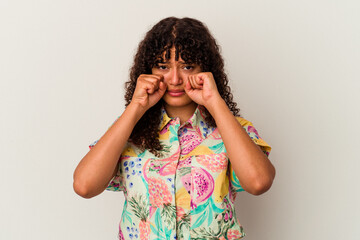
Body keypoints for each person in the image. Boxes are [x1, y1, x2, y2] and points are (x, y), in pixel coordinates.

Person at [73, 17, 275, 240]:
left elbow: (259, 182)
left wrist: (215, 101)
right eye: (163, 66)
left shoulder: (232, 128)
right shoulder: (128, 130)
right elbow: (84, 186)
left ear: (205, 70)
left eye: (188, 66)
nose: (175, 79)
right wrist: (136, 107)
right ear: (148, 69)